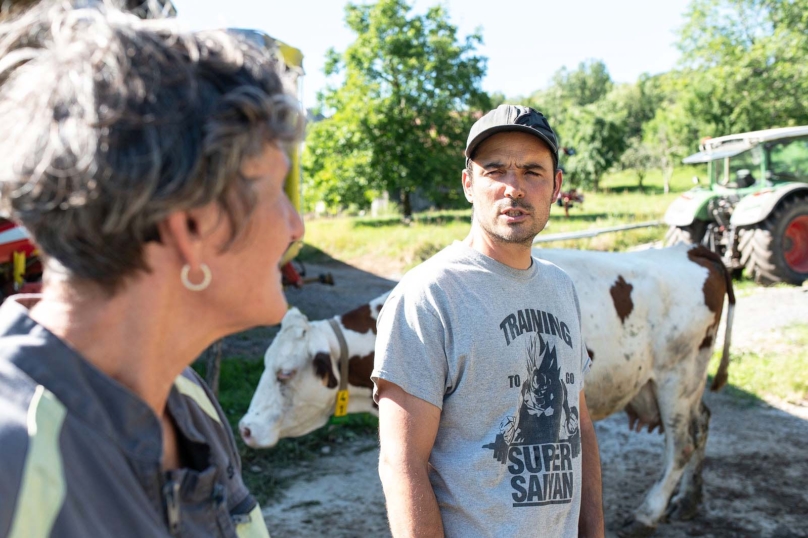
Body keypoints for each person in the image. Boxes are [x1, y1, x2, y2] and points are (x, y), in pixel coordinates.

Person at [0, 2, 304, 537]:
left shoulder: (186, 402)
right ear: (192, 229)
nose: (296, 227)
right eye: (277, 191)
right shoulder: (13, 460)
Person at [373, 104, 605, 537]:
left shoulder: (560, 288)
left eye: (532, 172)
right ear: (468, 184)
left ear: (556, 186)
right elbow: (402, 463)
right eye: (495, 171)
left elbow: (581, 426)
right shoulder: (430, 296)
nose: (513, 188)